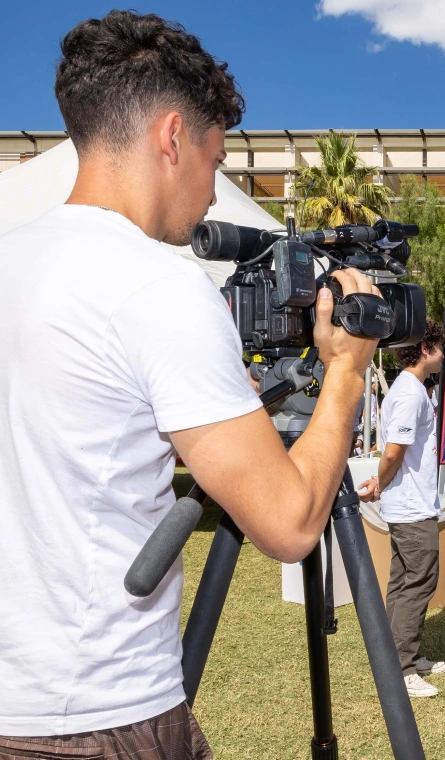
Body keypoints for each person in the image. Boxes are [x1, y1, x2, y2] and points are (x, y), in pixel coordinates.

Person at [0, 12, 381, 757]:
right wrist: (347, 370)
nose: (213, 194)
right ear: (172, 137)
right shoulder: (158, 288)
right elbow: (291, 522)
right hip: (100, 711)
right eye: (216, 159)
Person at [358, 321, 445, 698]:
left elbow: (394, 451)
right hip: (412, 508)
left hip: (408, 503)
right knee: (418, 582)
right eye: (441, 347)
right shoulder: (411, 393)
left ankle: (399, 656)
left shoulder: (410, 389)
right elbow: (394, 450)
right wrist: (380, 480)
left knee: (403, 583)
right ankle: (403, 667)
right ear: (426, 348)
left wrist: (382, 481)